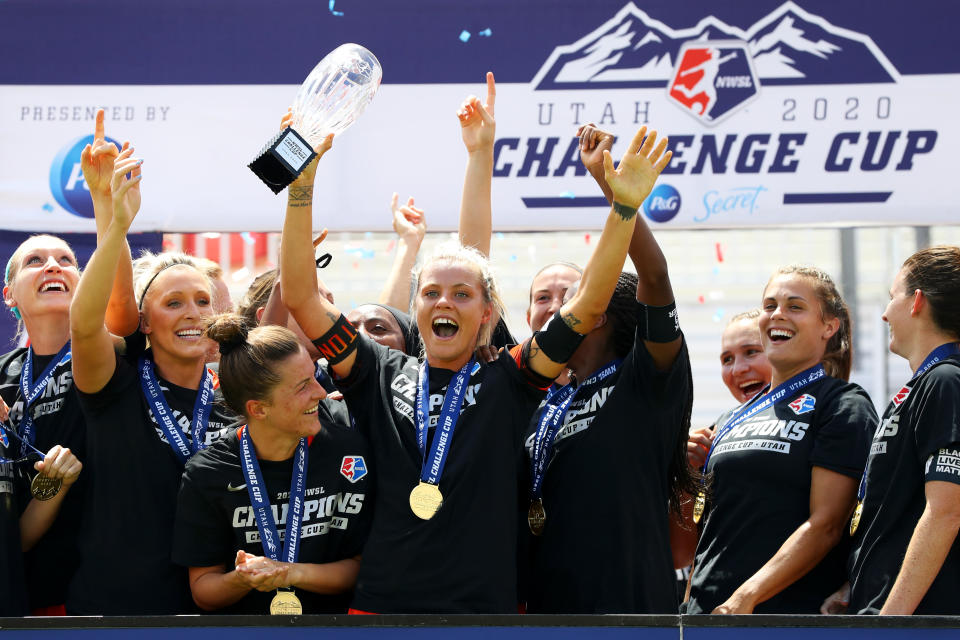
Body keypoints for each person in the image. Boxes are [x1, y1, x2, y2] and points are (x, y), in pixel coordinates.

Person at [279, 78, 672, 612]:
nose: (445, 302)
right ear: (415, 309)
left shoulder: (510, 377)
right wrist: (301, 186)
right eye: (432, 292)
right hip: (382, 608)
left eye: (463, 294)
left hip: (484, 613)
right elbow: (301, 295)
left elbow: (585, 309)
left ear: (487, 313)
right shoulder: (376, 369)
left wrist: (622, 209)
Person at [517, 123, 692, 613]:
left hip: (626, 610)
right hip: (548, 608)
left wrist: (617, 195)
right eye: (544, 301)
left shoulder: (645, 379)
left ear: (599, 317)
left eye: (570, 299)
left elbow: (655, 277)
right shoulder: (538, 395)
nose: (557, 311)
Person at [68, 149, 237, 614]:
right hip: (120, 608)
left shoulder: (237, 397)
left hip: (215, 607)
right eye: (174, 302)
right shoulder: (114, 386)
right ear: (144, 322)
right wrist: (116, 223)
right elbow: (83, 325)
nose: (192, 313)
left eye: (203, 301)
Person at [0, 111, 137, 615]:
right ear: (9, 293)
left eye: (66, 260)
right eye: (35, 261)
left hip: (99, 582)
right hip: (19, 584)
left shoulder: (111, 350)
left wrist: (107, 206)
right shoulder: (4, 375)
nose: (54, 265)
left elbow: (121, 314)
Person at [684, 265, 877, 614]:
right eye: (770, 304)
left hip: (780, 617)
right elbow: (707, 538)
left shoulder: (843, 403)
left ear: (828, 327)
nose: (777, 314)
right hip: (706, 617)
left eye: (795, 306)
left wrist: (745, 597)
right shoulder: (729, 420)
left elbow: (827, 524)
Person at [172, 317, 372, 614]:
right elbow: (203, 589)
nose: (320, 392)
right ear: (258, 409)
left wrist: (288, 572)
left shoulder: (349, 452)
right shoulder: (207, 472)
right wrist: (243, 579)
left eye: (314, 376)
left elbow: (362, 569)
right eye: (303, 386)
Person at [846, 246, 960, 615]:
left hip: (918, 621)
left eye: (892, 297)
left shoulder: (946, 380)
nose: (883, 314)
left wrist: (891, 620)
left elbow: (946, 511)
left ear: (916, 302)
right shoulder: (927, 384)